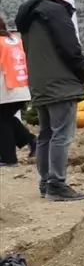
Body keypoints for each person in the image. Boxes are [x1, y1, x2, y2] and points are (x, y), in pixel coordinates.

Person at [14, 0, 84, 200]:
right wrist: (81, 71)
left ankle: (46, 182)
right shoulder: (56, 11)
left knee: (46, 133)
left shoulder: (27, 13)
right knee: (62, 135)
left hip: (38, 81)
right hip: (61, 82)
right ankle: (57, 183)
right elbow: (70, 47)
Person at [0, 16, 34, 166]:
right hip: (21, 86)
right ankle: (31, 140)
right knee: (6, 118)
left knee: (2, 121)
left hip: (6, 88)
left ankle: (9, 159)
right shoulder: (15, 40)